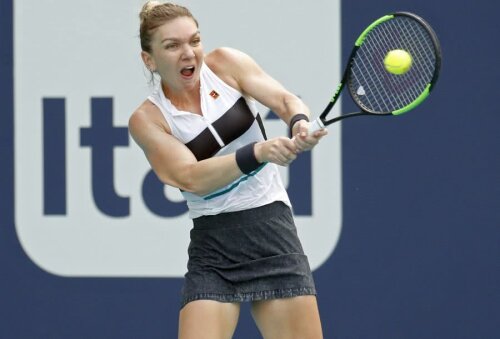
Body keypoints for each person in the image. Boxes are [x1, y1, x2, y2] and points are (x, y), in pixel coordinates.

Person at [129, 2, 328, 338]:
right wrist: (259, 151)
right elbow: (189, 177)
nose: (188, 53)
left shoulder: (226, 65)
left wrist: (299, 122)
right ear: (149, 60)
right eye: (172, 46)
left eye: (194, 41)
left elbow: (284, 100)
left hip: (271, 231)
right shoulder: (148, 121)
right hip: (213, 247)